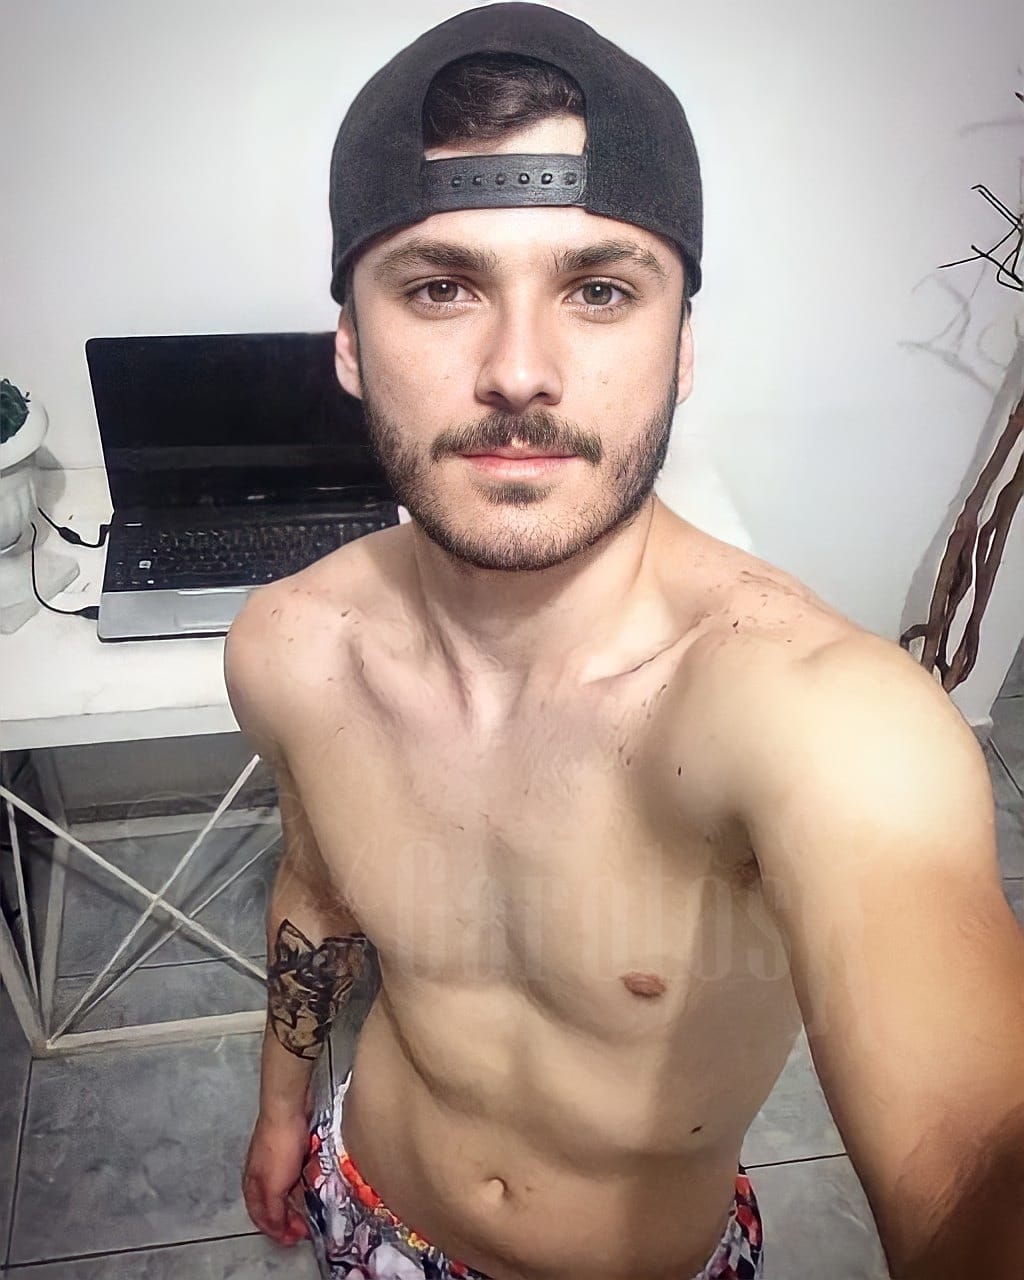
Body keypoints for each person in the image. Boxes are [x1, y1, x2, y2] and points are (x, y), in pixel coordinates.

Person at [224, 5, 1024, 1279]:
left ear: (681, 346)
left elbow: (970, 1144)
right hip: (364, 1200)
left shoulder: (824, 718)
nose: (519, 370)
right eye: (439, 287)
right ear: (351, 346)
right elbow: (315, 890)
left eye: (599, 290)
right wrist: (281, 1110)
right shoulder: (292, 646)